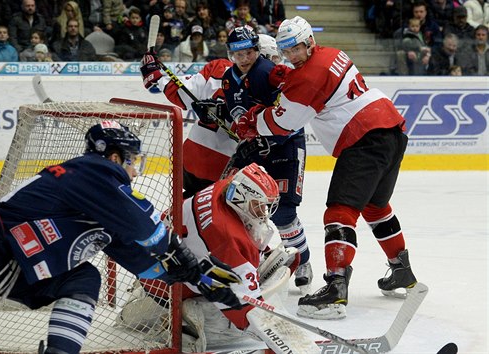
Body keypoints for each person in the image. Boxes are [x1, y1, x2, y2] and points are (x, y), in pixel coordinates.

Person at [0, 121, 241, 354]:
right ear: (110, 157)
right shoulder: (92, 172)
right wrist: (190, 264)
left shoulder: (103, 202)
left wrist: (199, 280)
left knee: (84, 277)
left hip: (14, 264)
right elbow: (148, 231)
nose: (135, 169)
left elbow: (141, 259)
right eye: (131, 159)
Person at [236, 16, 419, 320]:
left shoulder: (306, 78)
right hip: (391, 131)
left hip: (364, 137)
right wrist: (287, 76)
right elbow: (311, 79)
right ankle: (402, 271)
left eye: (295, 49)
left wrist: (252, 121)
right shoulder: (332, 53)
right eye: (285, 51)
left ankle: (335, 290)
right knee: (375, 206)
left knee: (339, 213)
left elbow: (283, 123)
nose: (291, 56)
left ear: (309, 42)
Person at [141, 28, 314, 293]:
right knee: (223, 212)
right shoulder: (227, 77)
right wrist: (205, 106)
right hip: (234, 156)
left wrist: (251, 130)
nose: (249, 61)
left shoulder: (271, 76)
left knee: (280, 212)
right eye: (241, 55)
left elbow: (290, 113)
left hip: (278, 149)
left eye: (258, 56)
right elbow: (186, 96)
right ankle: (228, 264)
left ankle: (293, 261)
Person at [116, 163, 320, 353]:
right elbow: (244, 310)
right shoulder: (226, 239)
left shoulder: (224, 187)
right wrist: (286, 339)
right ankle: (186, 326)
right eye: (259, 205)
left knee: (268, 264)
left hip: (157, 268)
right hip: (167, 291)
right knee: (236, 310)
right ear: (242, 199)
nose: (264, 212)